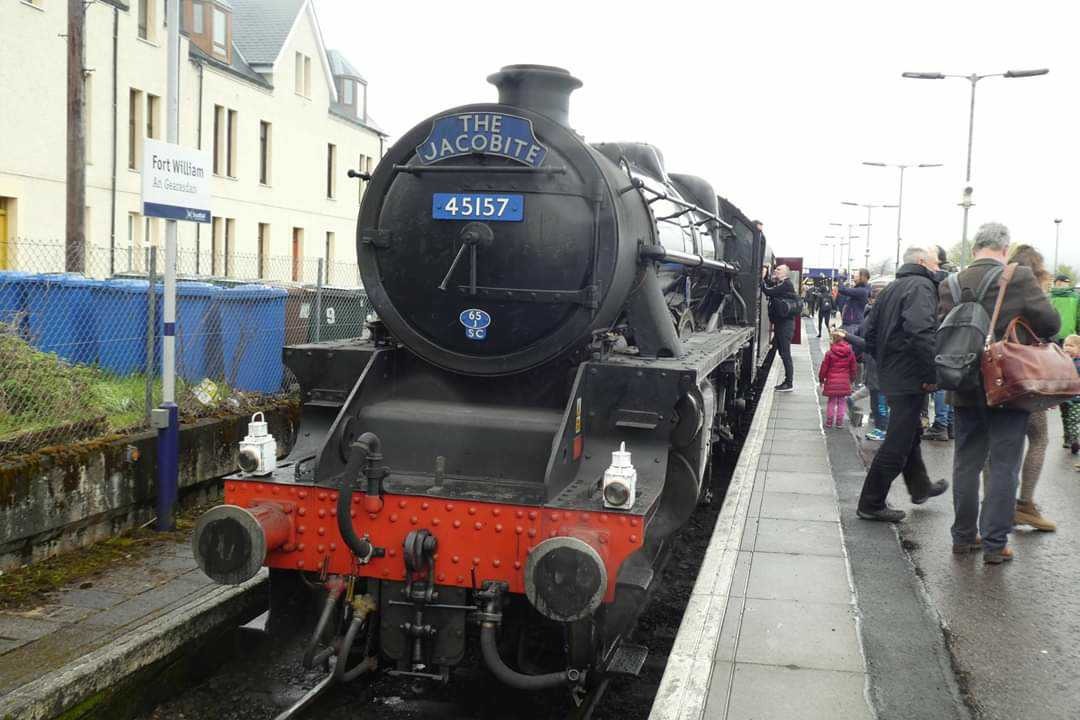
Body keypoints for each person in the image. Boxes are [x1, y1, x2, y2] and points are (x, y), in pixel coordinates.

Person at [938, 223, 1060, 564]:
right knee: (1005, 465)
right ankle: (994, 544)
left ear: (975, 248)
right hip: (1006, 384)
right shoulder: (1017, 277)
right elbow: (1051, 324)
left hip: (961, 383)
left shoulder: (950, 282)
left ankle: (962, 537)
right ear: (1004, 249)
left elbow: (941, 330)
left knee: (966, 462)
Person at [856, 246, 948, 523]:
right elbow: (921, 332)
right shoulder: (921, 287)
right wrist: (931, 374)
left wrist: (886, 361)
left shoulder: (892, 288)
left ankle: (920, 486)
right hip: (910, 376)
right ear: (922, 262)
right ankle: (871, 503)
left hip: (892, 373)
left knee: (910, 434)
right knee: (897, 441)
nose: (940, 265)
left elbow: (868, 334)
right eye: (937, 261)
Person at [1005, 244, 1056, 532]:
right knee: (1039, 438)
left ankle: (996, 505)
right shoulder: (1033, 292)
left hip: (999, 376)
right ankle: (1024, 504)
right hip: (1029, 379)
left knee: (996, 444)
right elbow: (1051, 328)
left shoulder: (998, 287)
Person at [926, 246, 955, 442]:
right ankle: (951, 424)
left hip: (941, 330)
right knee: (951, 381)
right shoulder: (956, 277)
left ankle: (940, 425)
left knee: (940, 383)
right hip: (955, 331)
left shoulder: (938, 278)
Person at [762, 264, 798, 392]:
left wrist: (761, 278)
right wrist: (765, 278)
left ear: (785, 273)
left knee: (785, 353)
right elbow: (770, 286)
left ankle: (789, 383)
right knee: (782, 352)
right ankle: (787, 381)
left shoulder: (786, 284)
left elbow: (768, 291)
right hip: (781, 324)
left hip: (785, 325)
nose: (776, 271)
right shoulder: (781, 284)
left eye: (778, 269)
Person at [820, 329, 857, 427]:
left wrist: (821, 379)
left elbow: (824, 368)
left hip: (832, 381)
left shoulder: (829, 353)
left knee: (831, 401)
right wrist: (852, 380)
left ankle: (829, 422)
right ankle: (839, 422)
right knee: (842, 402)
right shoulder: (850, 353)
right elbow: (853, 368)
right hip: (844, 381)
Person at [838, 269, 872, 334]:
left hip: (853, 324)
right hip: (850, 323)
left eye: (856, 274)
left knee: (848, 343)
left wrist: (840, 277)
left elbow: (842, 289)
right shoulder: (860, 289)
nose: (854, 276)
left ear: (861, 277)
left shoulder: (861, 291)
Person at [1062, 334, 1080, 454]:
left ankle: (1075, 440)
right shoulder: (1061, 360)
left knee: (1073, 419)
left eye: (1071, 346)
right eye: (1065, 345)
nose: (1067, 348)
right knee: (1065, 418)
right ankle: (1067, 439)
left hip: (1076, 397)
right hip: (1063, 396)